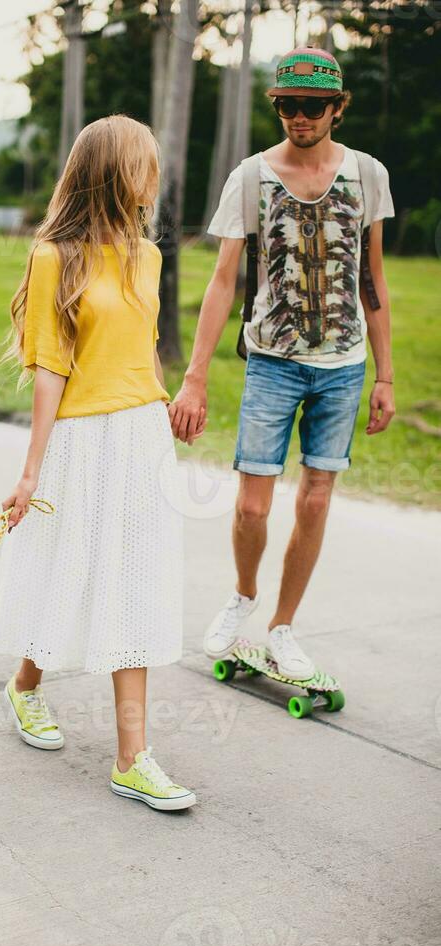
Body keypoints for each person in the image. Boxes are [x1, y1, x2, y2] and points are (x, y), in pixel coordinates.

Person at [0, 115, 196, 812]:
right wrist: (30, 471)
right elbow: (49, 366)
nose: (153, 178)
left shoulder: (149, 255)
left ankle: (132, 758)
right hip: (81, 437)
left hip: (142, 436)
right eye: (144, 164)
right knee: (67, 569)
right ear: (113, 171)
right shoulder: (55, 256)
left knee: (129, 581)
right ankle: (25, 686)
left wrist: (160, 410)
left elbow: (143, 352)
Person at [169, 47, 396, 680]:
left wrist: (385, 375)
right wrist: (194, 376)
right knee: (251, 509)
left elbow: (372, 280)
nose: (299, 117)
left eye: (313, 106)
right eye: (289, 106)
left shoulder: (369, 175)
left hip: (344, 365)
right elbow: (221, 281)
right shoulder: (251, 176)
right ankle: (243, 594)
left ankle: (283, 627)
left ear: (337, 107)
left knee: (317, 502)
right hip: (272, 361)